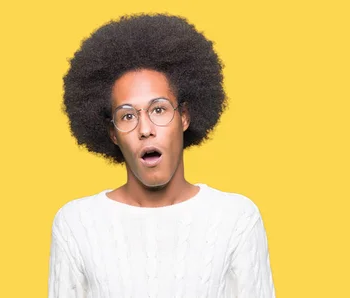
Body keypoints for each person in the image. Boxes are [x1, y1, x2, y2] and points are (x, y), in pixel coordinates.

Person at [48, 13, 275, 297]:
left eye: (158, 109)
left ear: (184, 117)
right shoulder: (76, 224)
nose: (145, 129)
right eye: (127, 115)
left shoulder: (236, 219)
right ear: (113, 133)